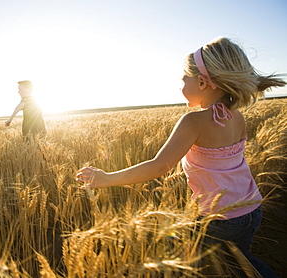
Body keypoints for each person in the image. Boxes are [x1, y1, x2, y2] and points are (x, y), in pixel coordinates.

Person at [76, 37, 286, 277]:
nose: (180, 85)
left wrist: (105, 178)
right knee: (240, 262)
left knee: (203, 267)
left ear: (203, 82)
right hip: (250, 208)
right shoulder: (236, 116)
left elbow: (158, 166)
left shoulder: (193, 122)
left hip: (219, 219)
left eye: (183, 78)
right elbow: (224, 161)